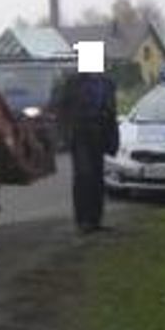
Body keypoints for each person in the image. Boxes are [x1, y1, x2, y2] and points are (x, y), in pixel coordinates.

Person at [57, 70, 119, 233]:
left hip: (100, 133)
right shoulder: (73, 82)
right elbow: (61, 108)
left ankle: (96, 220)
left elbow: (112, 110)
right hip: (80, 134)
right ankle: (83, 220)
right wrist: (64, 134)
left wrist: (113, 138)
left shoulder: (107, 83)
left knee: (98, 176)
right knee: (84, 175)